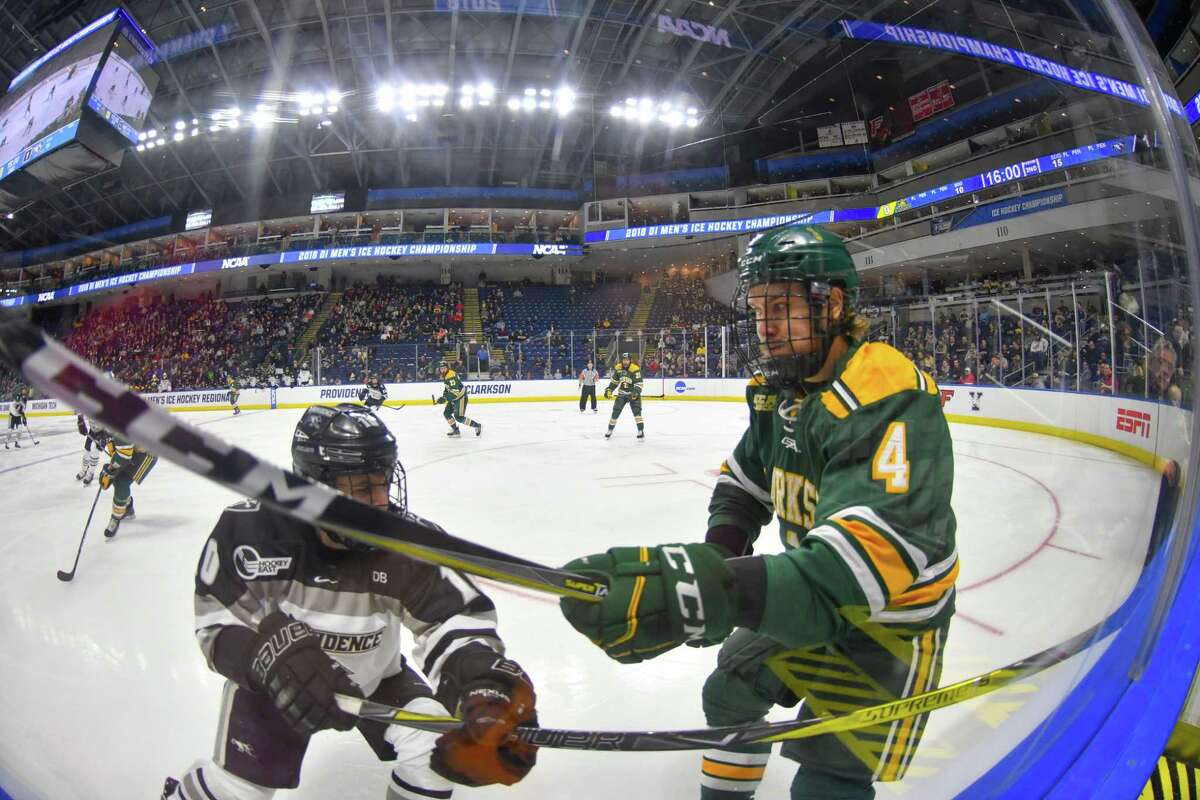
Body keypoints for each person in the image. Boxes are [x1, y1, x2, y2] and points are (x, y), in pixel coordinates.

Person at [559, 224, 957, 800]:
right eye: (758, 307)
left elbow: (852, 576)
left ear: (832, 305)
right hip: (821, 601)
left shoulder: (886, 395)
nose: (765, 325)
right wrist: (719, 555)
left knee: (830, 776)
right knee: (730, 689)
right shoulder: (781, 391)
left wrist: (709, 591)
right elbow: (744, 485)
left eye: (783, 306)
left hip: (889, 625)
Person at [162, 404, 537, 800]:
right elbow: (216, 623)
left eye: (382, 483)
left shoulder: (408, 542)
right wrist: (265, 658)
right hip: (277, 682)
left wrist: (483, 685)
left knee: (435, 752)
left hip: (376, 679)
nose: (378, 503)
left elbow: (453, 621)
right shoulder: (254, 529)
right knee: (236, 792)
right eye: (361, 488)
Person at [100, 431, 158, 538]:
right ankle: (127, 507)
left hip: (146, 454)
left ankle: (116, 517)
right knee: (118, 479)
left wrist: (110, 470)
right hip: (132, 449)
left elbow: (124, 456)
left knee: (121, 482)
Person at [434, 362, 481, 437]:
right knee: (447, 413)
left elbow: (455, 392)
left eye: (444, 368)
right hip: (454, 397)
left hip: (460, 397)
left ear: (447, 368)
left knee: (459, 417)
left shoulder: (450, 376)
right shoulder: (446, 375)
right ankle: (456, 430)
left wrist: (444, 398)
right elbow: (448, 388)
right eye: (441, 369)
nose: (442, 370)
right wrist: (443, 397)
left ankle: (477, 425)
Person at [603, 353, 643, 439]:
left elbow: (639, 384)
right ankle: (610, 429)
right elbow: (614, 382)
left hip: (633, 394)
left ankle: (640, 430)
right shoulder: (618, 368)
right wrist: (609, 389)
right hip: (622, 394)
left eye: (627, 360)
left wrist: (636, 392)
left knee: (637, 412)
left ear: (630, 360)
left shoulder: (635, 369)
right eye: (624, 360)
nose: (625, 361)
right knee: (615, 411)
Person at [74, 414, 111, 486]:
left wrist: (106, 434)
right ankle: (84, 470)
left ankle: (91, 473)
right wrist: (80, 420)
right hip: (93, 429)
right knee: (86, 451)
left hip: (103, 432)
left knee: (95, 452)